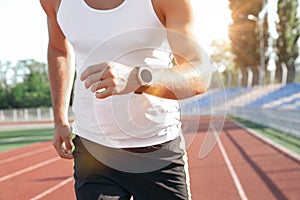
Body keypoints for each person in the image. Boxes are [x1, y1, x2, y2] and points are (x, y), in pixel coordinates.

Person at [40, 0, 210, 199]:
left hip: (157, 148)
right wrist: (60, 118)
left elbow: (200, 75)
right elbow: (58, 49)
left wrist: (138, 78)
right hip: (93, 152)